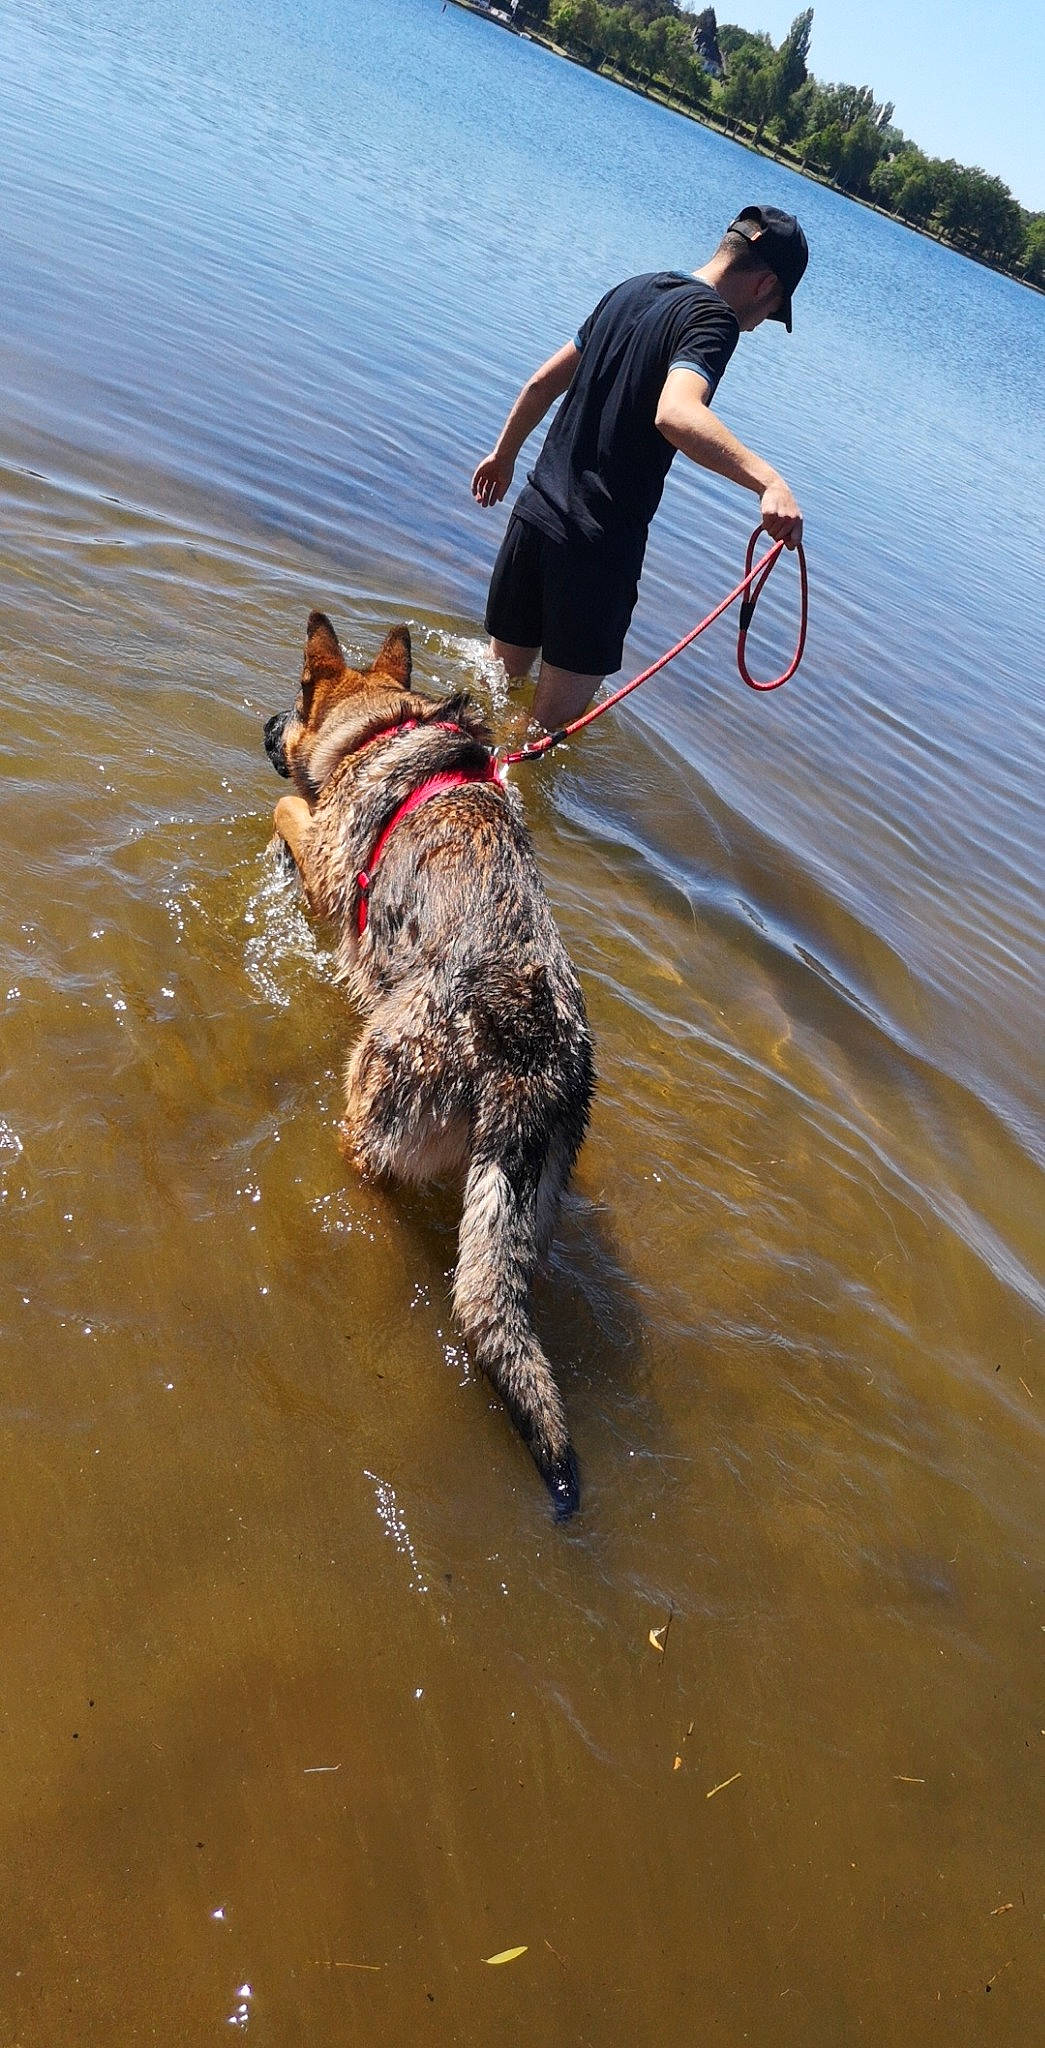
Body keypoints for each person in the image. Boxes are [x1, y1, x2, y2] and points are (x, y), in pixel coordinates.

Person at [471, 205, 808, 731]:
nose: (760, 324)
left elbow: (541, 383)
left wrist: (504, 454)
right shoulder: (714, 320)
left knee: (488, 702)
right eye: (772, 312)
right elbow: (676, 413)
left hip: (532, 519)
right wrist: (769, 480)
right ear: (766, 285)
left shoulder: (634, 288)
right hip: (593, 551)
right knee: (542, 742)